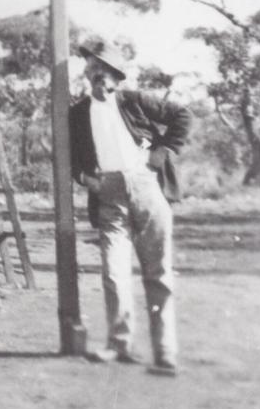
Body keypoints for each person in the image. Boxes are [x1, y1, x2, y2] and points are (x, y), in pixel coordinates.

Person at [68, 46, 192, 376]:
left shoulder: (134, 101)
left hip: (147, 187)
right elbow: (71, 158)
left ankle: (165, 352)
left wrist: (163, 151)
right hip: (109, 195)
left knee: (157, 271)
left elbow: (183, 116)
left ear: (117, 78)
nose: (100, 75)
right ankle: (120, 344)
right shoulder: (77, 114)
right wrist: (85, 179)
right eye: (94, 68)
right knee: (113, 272)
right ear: (87, 73)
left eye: (107, 71)